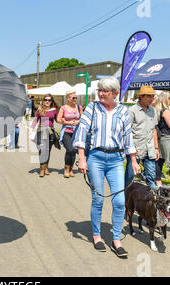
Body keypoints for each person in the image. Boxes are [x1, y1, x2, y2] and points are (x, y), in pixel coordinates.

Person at [73, 77, 140, 258]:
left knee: (119, 201)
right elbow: (81, 132)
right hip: (96, 157)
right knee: (98, 199)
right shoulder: (92, 108)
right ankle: (97, 236)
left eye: (105, 91)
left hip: (117, 159)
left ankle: (116, 239)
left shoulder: (123, 111)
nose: (101, 93)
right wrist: (82, 158)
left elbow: (128, 136)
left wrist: (133, 159)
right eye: (100, 90)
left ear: (115, 93)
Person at [125, 86, 160, 190]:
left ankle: (153, 199)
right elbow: (127, 131)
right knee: (131, 175)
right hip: (136, 148)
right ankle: (125, 195)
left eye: (153, 96)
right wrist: (131, 146)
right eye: (149, 96)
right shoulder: (132, 110)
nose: (151, 99)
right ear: (141, 96)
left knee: (151, 176)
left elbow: (154, 129)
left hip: (150, 149)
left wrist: (156, 148)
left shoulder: (153, 110)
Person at [31, 94, 59, 177]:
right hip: (41, 130)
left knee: (48, 150)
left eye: (49, 100)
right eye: (46, 100)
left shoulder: (54, 110)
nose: (47, 101)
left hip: (50, 131)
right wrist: (31, 129)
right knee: (42, 149)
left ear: (51, 101)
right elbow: (36, 120)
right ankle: (42, 168)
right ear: (43, 101)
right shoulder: (40, 110)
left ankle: (46, 167)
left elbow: (58, 120)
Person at [57, 89, 82, 178]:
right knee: (70, 150)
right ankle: (66, 168)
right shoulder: (63, 108)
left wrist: (78, 121)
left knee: (74, 151)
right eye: (73, 98)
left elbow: (82, 119)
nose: (75, 99)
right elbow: (58, 119)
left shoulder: (79, 107)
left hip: (76, 132)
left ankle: (71, 169)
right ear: (68, 98)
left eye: (76, 97)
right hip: (66, 132)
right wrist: (68, 123)